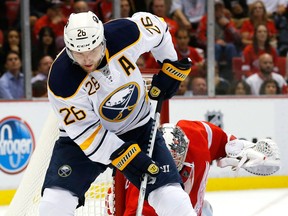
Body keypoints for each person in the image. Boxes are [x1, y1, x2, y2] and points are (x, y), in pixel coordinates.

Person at [39, 11, 194, 216]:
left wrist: (170, 64)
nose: (86, 59)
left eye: (92, 51)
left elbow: (160, 27)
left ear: (102, 41)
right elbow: (87, 134)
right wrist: (125, 156)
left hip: (139, 127)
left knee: (172, 198)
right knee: (54, 203)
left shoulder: (125, 33)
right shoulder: (62, 80)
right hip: (84, 142)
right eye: (78, 53)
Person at [122, 120, 280, 216]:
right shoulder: (145, 196)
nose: (171, 166)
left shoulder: (195, 134)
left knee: (206, 208)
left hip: (199, 209)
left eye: (176, 160)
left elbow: (222, 140)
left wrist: (238, 148)